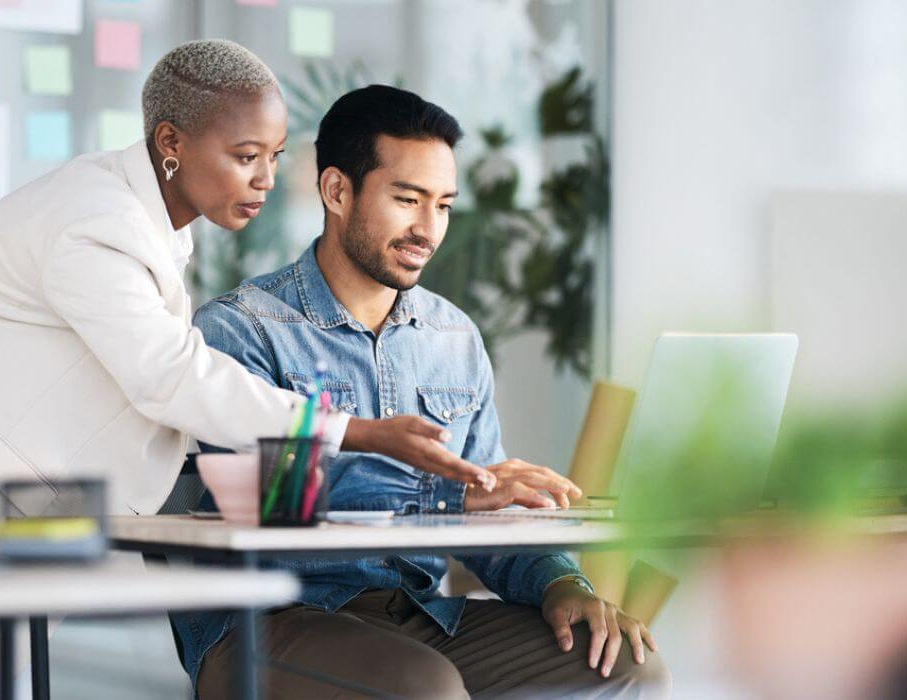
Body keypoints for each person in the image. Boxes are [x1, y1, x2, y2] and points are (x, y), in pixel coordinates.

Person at [0, 41, 497, 699]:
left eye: (274, 157)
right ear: (171, 142)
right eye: (245, 156)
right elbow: (168, 376)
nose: (266, 179)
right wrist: (362, 432)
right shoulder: (98, 220)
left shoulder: (146, 224)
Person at [175, 85, 671, 699]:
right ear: (336, 191)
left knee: (626, 664)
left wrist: (564, 585)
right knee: (423, 687)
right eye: (407, 199)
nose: (427, 229)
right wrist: (446, 495)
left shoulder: (453, 337)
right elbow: (271, 511)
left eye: (443, 205)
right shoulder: (241, 329)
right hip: (271, 621)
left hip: (418, 616)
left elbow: (491, 516)